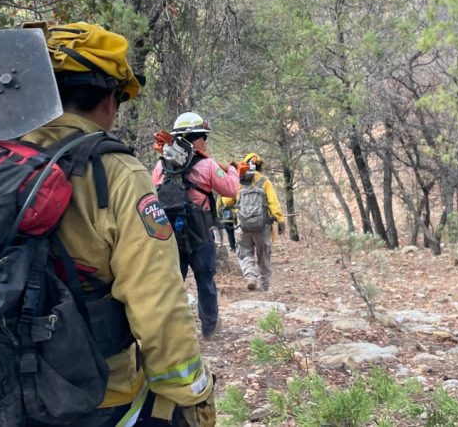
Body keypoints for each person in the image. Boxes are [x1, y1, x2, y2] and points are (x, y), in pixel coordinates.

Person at [20, 22, 215, 427]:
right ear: (109, 100)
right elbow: (157, 300)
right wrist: (192, 390)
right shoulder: (116, 173)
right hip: (94, 392)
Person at [152, 112, 240, 340]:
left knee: (172, 283)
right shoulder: (208, 165)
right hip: (200, 232)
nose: (206, 142)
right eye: (204, 136)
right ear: (196, 138)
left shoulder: (161, 166)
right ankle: (209, 328)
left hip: (170, 232)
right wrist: (232, 170)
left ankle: (171, 333)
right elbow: (230, 190)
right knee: (205, 280)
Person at [219, 153, 285, 292]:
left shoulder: (238, 181)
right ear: (260, 166)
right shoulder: (264, 181)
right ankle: (265, 286)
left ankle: (250, 277)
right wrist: (280, 220)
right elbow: (273, 203)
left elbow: (227, 201)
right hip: (262, 226)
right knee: (264, 255)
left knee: (245, 253)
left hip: (242, 226)